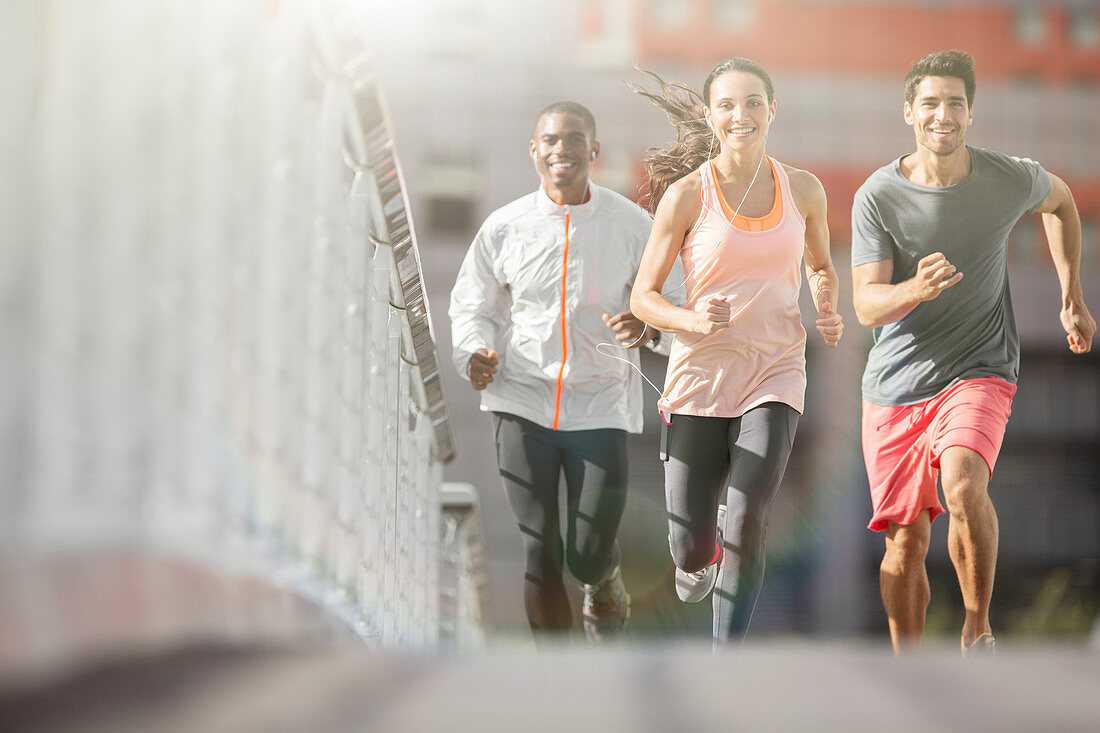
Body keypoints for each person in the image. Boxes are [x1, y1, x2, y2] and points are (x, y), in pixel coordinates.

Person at [850, 50, 1095, 656]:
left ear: (969, 113)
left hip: (980, 369)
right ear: (909, 112)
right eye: (930, 102)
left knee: (961, 484)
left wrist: (1072, 295)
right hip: (895, 386)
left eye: (954, 103)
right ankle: (912, 671)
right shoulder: (878, 195)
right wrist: (915, 288)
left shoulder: (1006, 177)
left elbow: (1062, 202)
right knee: (904, 544)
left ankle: (976, 627)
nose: (943, 114)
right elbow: (866, 307)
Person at [629, 58, 844, 645]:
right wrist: (691, 318)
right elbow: (643, 297)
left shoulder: (802, 189)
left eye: (753, 102)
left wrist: (825, 305)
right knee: (690, 547)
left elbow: (820, 265)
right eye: (727, 104)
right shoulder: (685, 196)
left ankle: (728, 663)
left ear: (772, 110)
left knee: (749, 519)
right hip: (699, 377)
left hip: (776, 372)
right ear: (710, 114)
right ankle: (697, 553)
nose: (741, 115)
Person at [449, 101, 671, 643]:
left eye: (574, 140)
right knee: (539, 546)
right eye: (550, 140)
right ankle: (558, 669)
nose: (561, 150)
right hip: (521, 402)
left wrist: (648, 331)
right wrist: (474, 353)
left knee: (588, 554)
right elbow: (472, 306)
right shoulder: (505, 226)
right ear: (534, 151)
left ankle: (603, 579)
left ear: (594, 152)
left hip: (600, 406)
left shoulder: (632, 225)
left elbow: (674, 301)